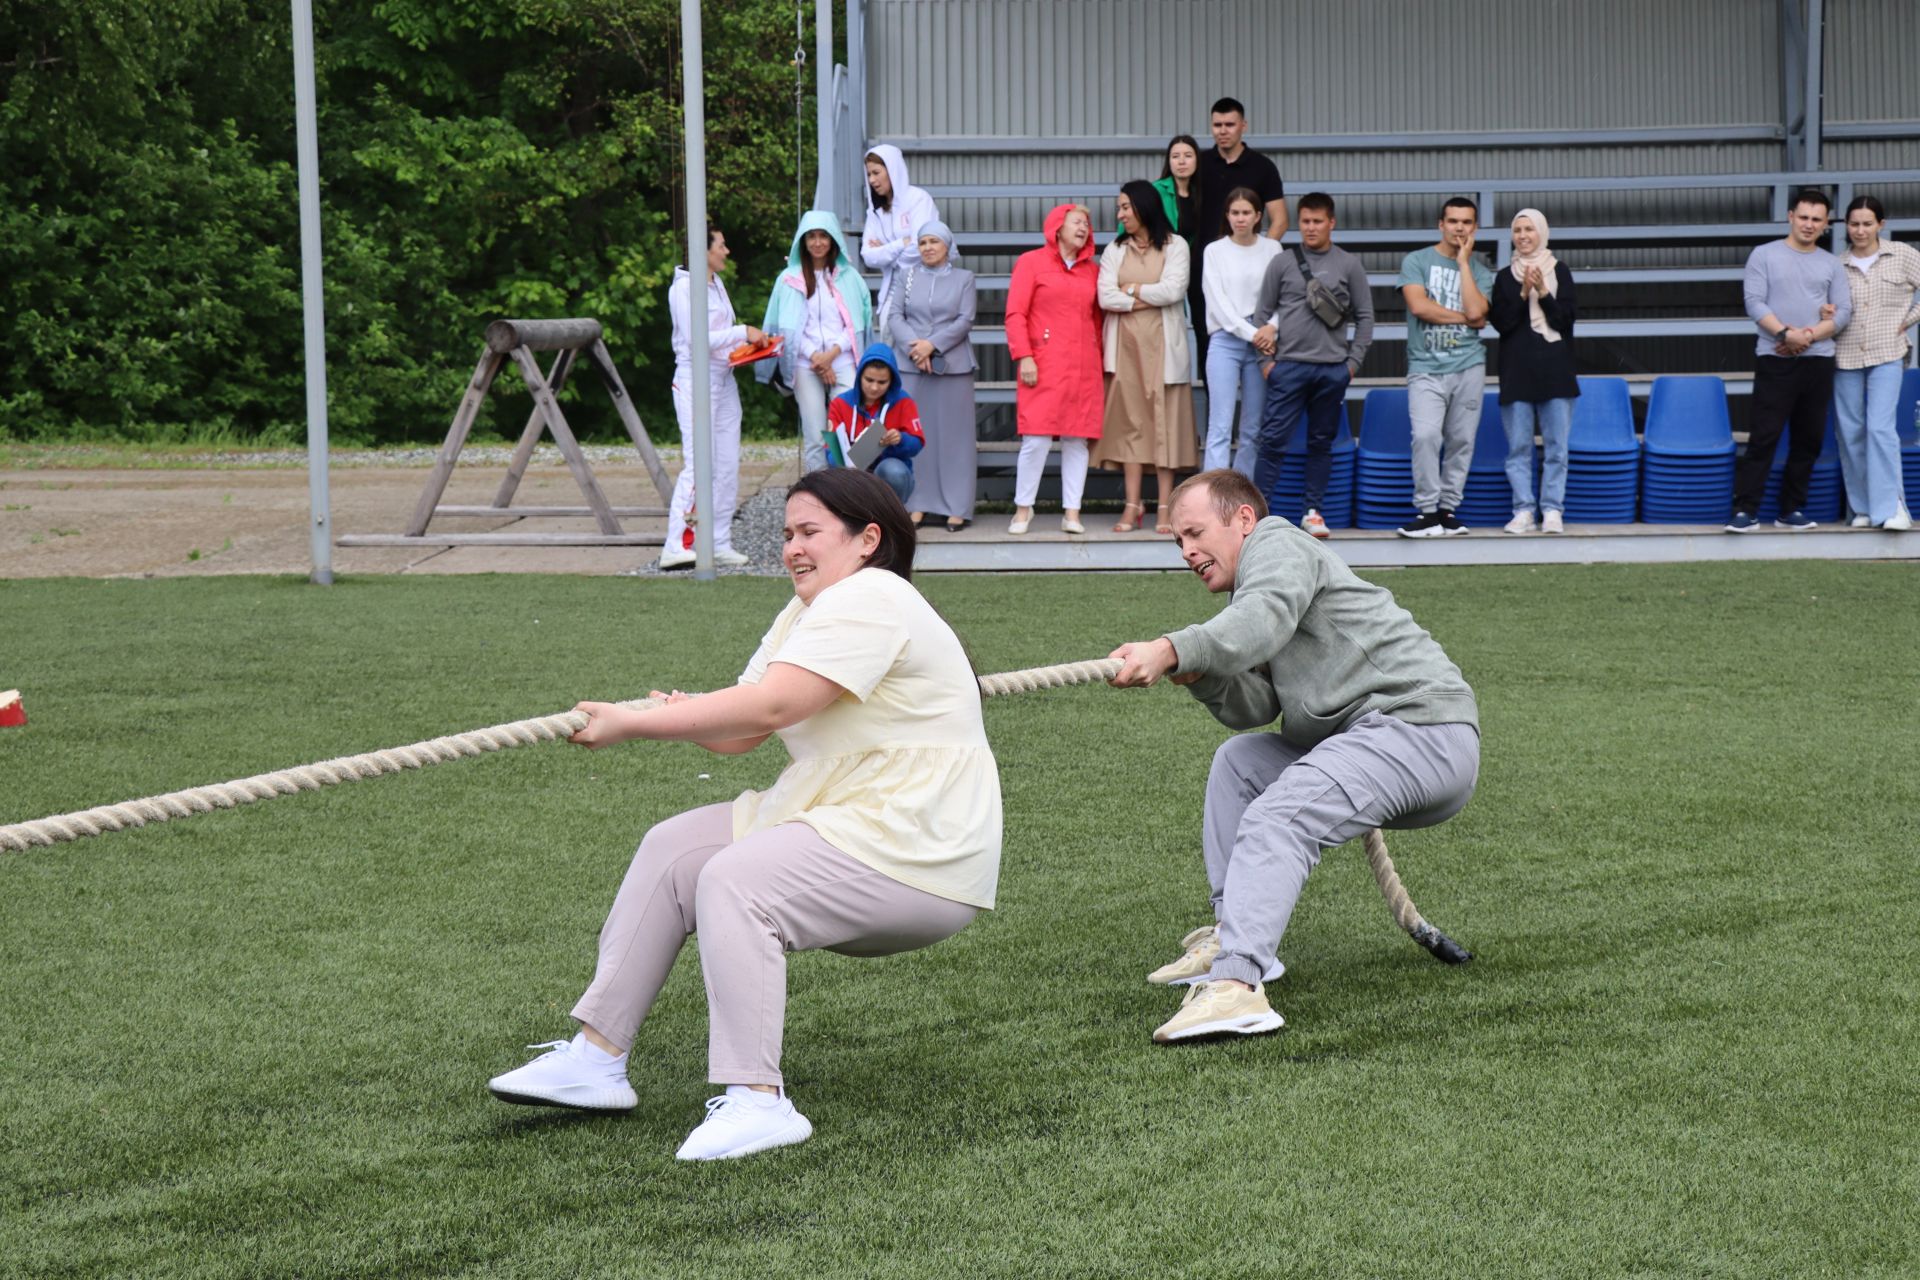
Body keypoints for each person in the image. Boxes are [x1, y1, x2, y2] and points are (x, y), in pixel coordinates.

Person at [487, 468, 1000, 1161]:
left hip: (917, 840)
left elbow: (772, 707)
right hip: (847, 816)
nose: (791, 548)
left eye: (810, 532)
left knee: (735, 878)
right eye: (787, 533)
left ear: (867, 539)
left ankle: (759, 1100)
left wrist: (633, 727)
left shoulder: (874, 595)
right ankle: (595, 1058)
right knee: (674, 850)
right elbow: (739, 732)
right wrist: (668, 713)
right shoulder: (807, 611)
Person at [1105, 468, 1479, 1043]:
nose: (1187, 550)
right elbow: (1258, 705)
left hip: (1420, 731)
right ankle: (1241, 939)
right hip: (1373, 740)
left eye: (1195, 532)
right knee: (1241, 763)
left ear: (1245, 520)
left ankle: (1237, 988)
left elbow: (1257, 623)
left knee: (1278, 817)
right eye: (1178, 541)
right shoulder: (1253, 590)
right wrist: (1204, 675)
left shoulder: (1279, 543)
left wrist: (1175, 647)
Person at [1249, 191, 1373, 539]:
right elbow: (1262, 314)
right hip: (1287, 367)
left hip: (1332, 370)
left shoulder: (1349, 264)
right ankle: (1260, 517)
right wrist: (1266, 362)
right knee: (1272, 442)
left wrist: (1352, 363)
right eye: (1305, 221)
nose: (1311, 228)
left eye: (1318, 221)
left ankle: (1313, 513)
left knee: (1321, 443)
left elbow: (1365, 318)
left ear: (1331, 223)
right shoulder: (1282, 263)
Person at [1729, 188, 1853, 532]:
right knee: (1763, 437)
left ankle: (1791, 510)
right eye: (1804, 217)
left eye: (1817, 219)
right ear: (1790, 216)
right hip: (1775, 358)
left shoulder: (1831, 264)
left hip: (1818, 361)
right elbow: (1754, 303)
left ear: (1826, 224)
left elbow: (1843, 312)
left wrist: (1807, 336)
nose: (1809, 224)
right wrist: (1785, 334)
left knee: (1808, 440)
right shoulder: (1764, 255)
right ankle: (1746, 511)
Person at [1095, 180, 1198, 533]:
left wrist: (1133, 290)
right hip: (1125, 350)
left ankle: (1166, 507)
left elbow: (1174, 290)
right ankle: (1132, 506)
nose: (1120, 213)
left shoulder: (1175, 245)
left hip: (1163, 351)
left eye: (1125, 206)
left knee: (1165, 426)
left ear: (1143, 207)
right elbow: (1106, 297)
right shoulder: (1114, 250)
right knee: (1131, 427)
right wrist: (1141, 298)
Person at [661, 228, 761, 570]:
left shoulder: (715, 283)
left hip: (723, 377)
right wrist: (743, 332)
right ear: (703, 251)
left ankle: (717, 540)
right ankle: (677, 542)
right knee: (700, 462)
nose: (727, 251)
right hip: (695, 379)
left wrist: (752, 347)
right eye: (721, 245)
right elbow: (697, 338)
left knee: (726, 464)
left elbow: (724, 337)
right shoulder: (684, 288)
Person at [1397, 197, 1495, 538]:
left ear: (1475, 228)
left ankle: (1446, 510)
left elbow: (1479, 308)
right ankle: (1426, 512)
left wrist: (1465, 264)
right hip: (1425, 366)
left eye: (1466, 222)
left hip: (1468, 366)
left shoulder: (1481, 271)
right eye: (1453, 221)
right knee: (1425, 436)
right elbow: (1420, 306)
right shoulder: (1417, 261)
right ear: (1441, 224)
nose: (1459, 228)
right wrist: (1468, 318)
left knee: (1461, 440)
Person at [1004, 203, 1104, 535]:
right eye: (1077, 221)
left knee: (1078, 441)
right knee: (1036, 438)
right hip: (1042, 363)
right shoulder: (1031, 263)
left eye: (1087, 224)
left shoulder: (1093, 270)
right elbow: (1016, 314)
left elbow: (1098, 319)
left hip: (1083, 365)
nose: (1083, 228)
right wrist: (1024, 356)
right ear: (1056, 227)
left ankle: (1072, 513)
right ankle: (1023, 509)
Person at [1488, 208, 1579, 535]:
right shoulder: (1503, 277)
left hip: (1556, 374)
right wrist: (1524, 292)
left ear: (1541, 232)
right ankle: (1523, 509)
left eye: (1529, 229)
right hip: (1516, 373)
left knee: (1557, 447)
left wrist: (1543, 291)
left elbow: (1565, 322)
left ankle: (1553, 509)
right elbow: (1503, 324)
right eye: (1517, 230)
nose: (1523, 235)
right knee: (1518, 449)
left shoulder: (1560, 271)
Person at [760, 210, 873, 474]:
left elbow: (857, 324)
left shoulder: (850, 278)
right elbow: (786, 327)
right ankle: (818, 500)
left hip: (843, 360)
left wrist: (831, 355)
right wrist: (816, 358)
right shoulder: (788, 279)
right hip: (804, 363)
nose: (818, 242)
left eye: (824, 236)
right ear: (803, 240)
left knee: (848, 432)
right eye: (812, 236)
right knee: (814, 434)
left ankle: (849, 494)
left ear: (833, 239)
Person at [1832, 195, 1920, 530]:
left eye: (1867, 223)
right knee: (1850, 431)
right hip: (1846, 353)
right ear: (1846, 226)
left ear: (1880, 225)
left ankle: (1891, 509)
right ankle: (1863, 507)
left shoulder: (1903, 255)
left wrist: (1908, 319)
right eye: (1854, 224)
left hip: (1888, 352)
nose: (1860, 230)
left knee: (1879, 428)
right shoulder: (1836, 265)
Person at [889, 220, 979, 531]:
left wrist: (933, 345)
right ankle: (918, 504)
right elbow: (894, 315)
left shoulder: (964, 278)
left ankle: (958, 506)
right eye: (923, 242)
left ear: (947, 246)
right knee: (917, 436)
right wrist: (916, 349)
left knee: (955, 439)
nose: (927, 247)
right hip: (910, 365)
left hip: (952, 366)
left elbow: (966, 319)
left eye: (934, 242)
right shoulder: (906, 276)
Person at [1192, 98, 1287, 372]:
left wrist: (1257, 255)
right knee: (1207, 342)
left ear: (1243, 126)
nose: (1223, 130)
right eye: (1217, 125)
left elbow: (1279, 219)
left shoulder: (1262, 167)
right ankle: (1215, 410)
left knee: (1259, 350)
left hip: (1253, 276)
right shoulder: (1200, 164)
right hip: (1207, 266)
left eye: (1229, 124)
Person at [1201, 187, 1282, 474]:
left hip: (1262, 339)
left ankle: (1243, 497)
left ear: (1258, 215)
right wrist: (1255, 334)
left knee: (1253, 428)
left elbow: (1282, 295)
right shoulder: (1214, 250)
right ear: (1227, 215)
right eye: (1234, 212)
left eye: (1246, 212)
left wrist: (1272, 326)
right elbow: (1219, 304)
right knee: (1220, 426)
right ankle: (1212, 497)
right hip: (1227, 338)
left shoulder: (1272, 248)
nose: (1240, 218)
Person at [825, 343, 926, 503]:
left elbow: (917, 443)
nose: (874, 387)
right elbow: (830, 452)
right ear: (859, 376)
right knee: (838, 472)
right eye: (869, 380)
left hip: (889, 470)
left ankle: (892, 521)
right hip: (852, 474)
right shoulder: (840, 404)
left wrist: (900, 439)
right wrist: (845, 461)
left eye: (882, 382)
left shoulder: (904, 402)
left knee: (894, 471)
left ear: (892, 381)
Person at [861, 145, 939, 338]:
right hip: (891, 294)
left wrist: (886, 253)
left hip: (924, 292)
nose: (872, 180)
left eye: (876, 173)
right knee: (891, 359)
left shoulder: (918, 199)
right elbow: (868, 256)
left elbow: (921, 248)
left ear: (892, 169)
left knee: (921, 353)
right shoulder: (875, 212)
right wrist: (899, 244)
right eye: (869, 174)